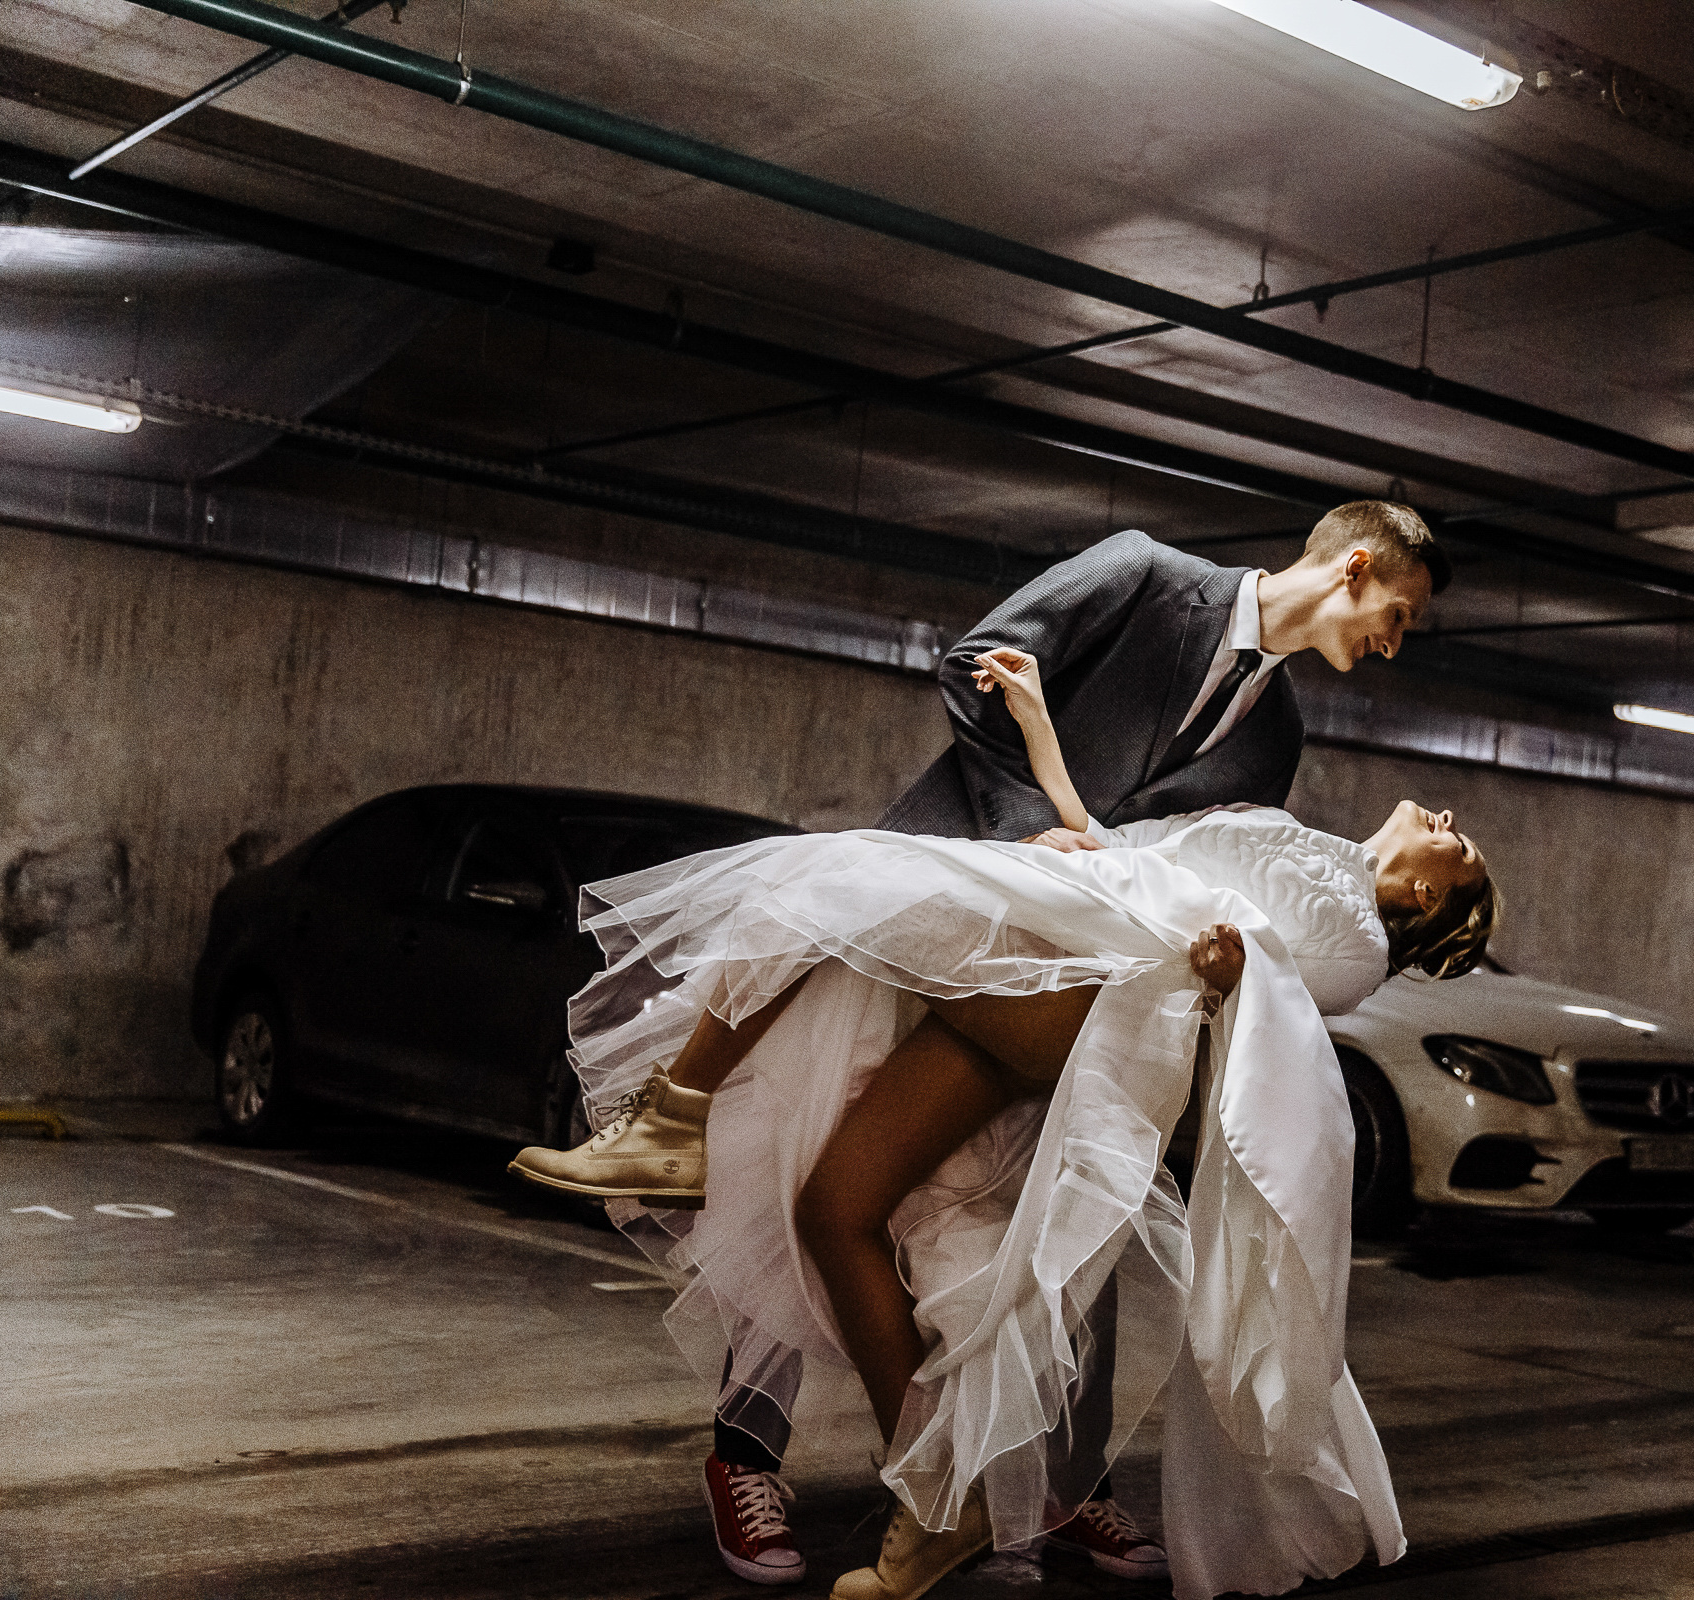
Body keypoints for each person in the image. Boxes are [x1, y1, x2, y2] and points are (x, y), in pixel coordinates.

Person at [511, 500, 1451, 1581]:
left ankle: (1032, 1487)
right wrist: (1023, 844)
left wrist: (1137, 920)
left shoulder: (1277, 735)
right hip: (951, 890)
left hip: (1072, 989)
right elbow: (975, 664)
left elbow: (1178, 865)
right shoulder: (1146, 575)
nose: (1393, 640)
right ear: (1358, 565)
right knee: (795, 1146)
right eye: (1400, 612)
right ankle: (749, 1454)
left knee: (1027, 1229)